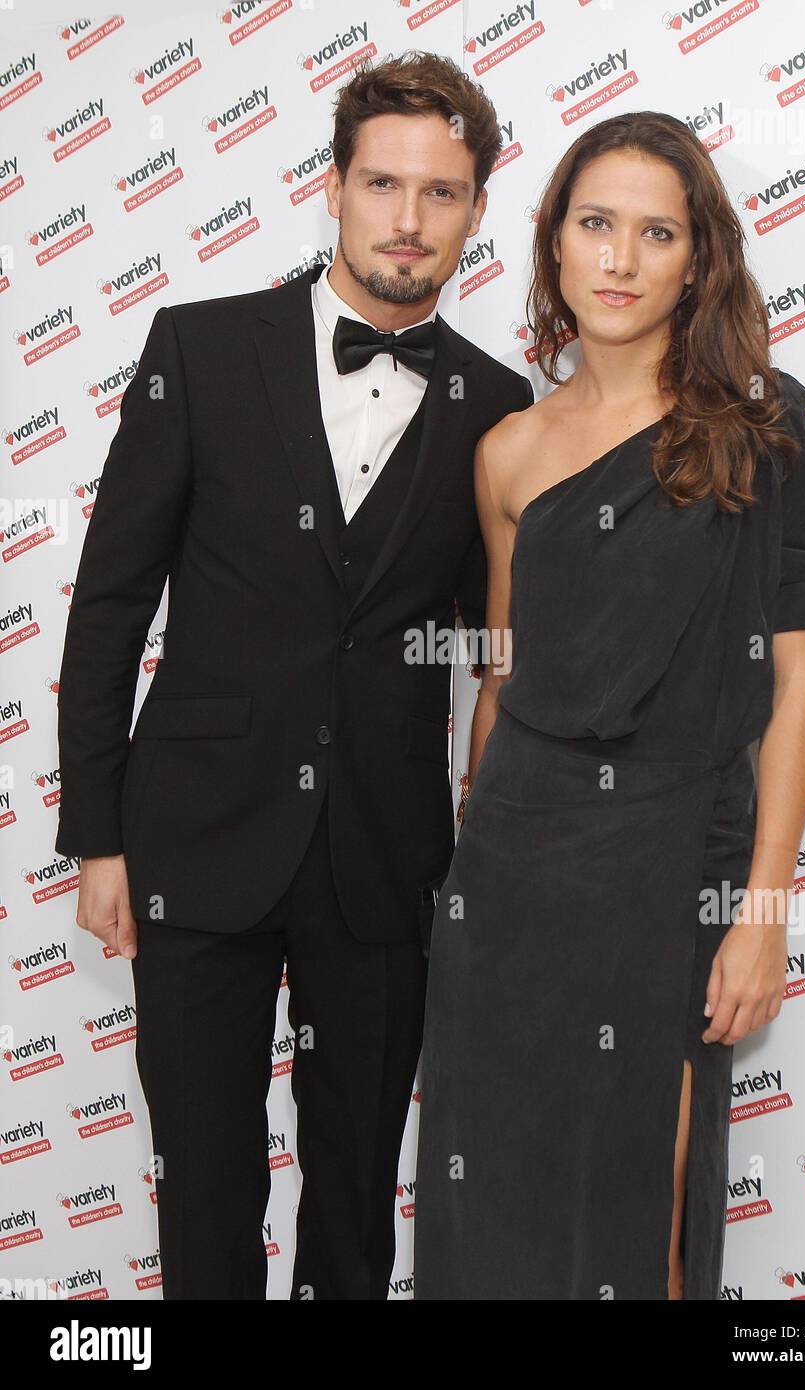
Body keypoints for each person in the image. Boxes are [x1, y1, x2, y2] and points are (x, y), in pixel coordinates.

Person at [54, 51, 532, 1299]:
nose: (408, 219)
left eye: (440, 193)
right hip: (194, 836)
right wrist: (98, 837)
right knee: (205, 1180)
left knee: (358, 1183)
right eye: (383, 183)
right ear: (333, 186)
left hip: (381, 854)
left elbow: (490, 652)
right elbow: (110, 606)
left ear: (476, 210)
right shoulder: (201, 349)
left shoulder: (499, 405)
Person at [413, 111, 805, 1301]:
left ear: (695, 259)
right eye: (594, 224)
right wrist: (464, 871)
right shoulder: (507, 448)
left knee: (638, 1213)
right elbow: (502, 671)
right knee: (489, 1200)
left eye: (655, 233)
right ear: (550, 244)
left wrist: (760, 910)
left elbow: (794, 683)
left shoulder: (764, 426)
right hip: (509, 875)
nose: (618, 258)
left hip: (667, 865)